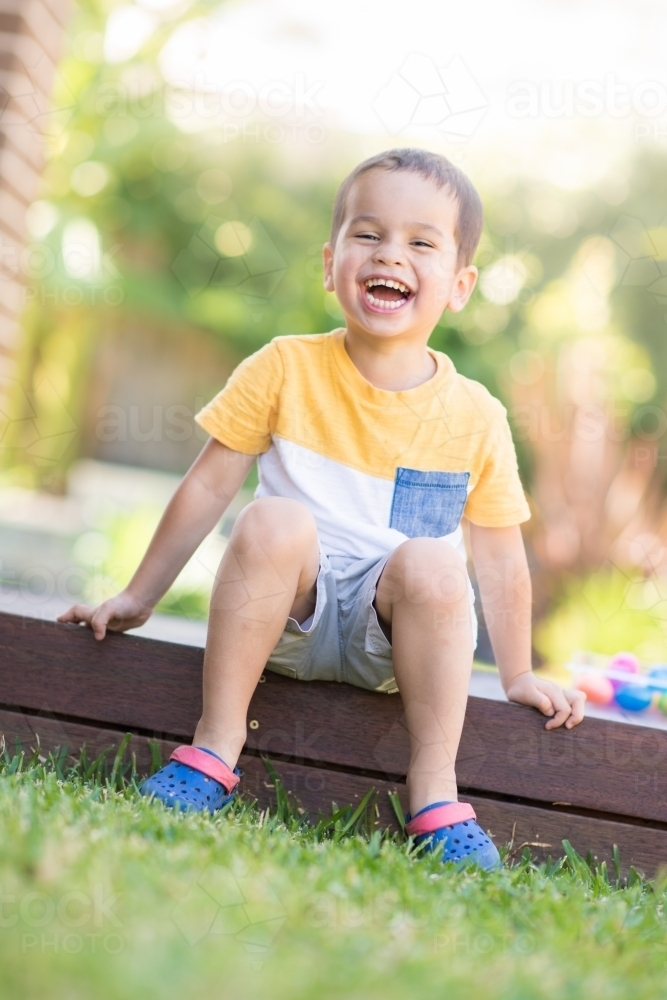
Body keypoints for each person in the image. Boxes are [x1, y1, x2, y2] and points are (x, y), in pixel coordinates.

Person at [58, 148, 586, 870]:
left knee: (436, 560)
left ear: (459, 285)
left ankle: (433, 790)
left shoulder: (475, 415)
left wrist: (520, 672)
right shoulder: (284, 366)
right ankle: (214, 748)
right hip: (287, 614)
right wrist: (138, 595)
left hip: (386, 639)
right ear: (329, 260)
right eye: (367, 235)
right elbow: (208, 487)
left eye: (420, 242)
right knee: (270, 518)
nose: (389, 255)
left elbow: (497, 555)